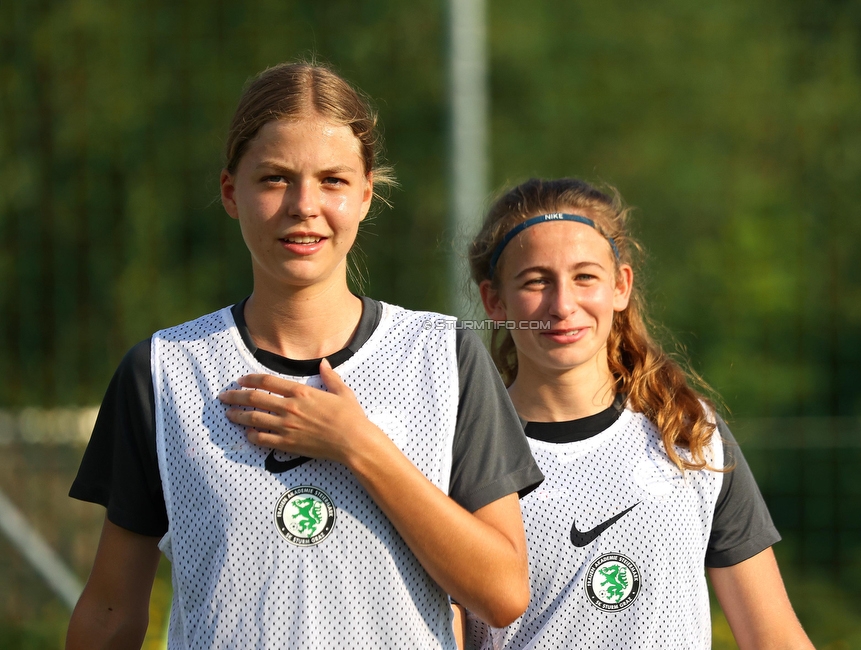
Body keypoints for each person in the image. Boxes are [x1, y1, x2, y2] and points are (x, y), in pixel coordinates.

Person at [65, 61, 543, 650]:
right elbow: (111, 612)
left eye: (333, 181)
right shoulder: (162, 372)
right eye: (273, 179)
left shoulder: (445, 356)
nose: (303, 205)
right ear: (229, 192)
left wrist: (358, 445)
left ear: (366, 195)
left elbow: (501, 594)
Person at [463, 178, 814, 649]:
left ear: (620, 286)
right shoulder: (460, 453)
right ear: (495, 302)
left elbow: (773, 639)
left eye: (585, 276)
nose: (563, 305)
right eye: (536, 281)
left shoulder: (689, 433)